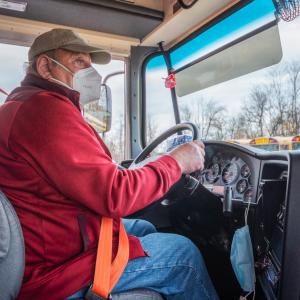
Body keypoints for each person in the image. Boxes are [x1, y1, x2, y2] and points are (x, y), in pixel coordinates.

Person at [0, 28, 218, 300]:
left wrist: (151, 168)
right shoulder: (45, 111)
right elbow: (115, 194)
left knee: (145, 228)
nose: (90, 73)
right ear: (45, 66)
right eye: (79, 62)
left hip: (55, 240)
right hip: (56, 271)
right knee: (183, 254)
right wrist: (175, 162)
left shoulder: (24, 105)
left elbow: (92, 177)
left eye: (90, 65)